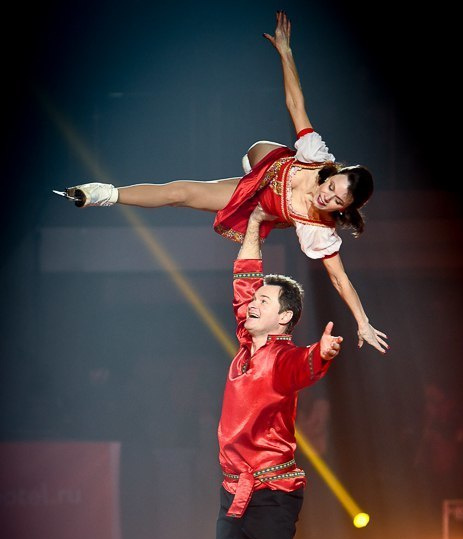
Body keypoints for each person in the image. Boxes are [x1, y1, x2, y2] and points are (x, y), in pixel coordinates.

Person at [61, 11, 388, 354]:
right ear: (334, 173)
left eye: (337, 202)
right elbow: (295, 103)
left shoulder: (319, 230)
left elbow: (340, 278)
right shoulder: (314, 155)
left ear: (345, 210)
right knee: (261, 155)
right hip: (265, 162)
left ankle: (103, 194)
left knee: (181, 194)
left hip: (257, 200)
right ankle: (252, 169)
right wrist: (286, 53)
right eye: (332, 187)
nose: (327, 197)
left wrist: (362, 321)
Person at [215, 204, 342, 539]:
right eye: (254, 301)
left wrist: (324, 352)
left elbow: (304, 366)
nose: (252, 305)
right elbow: (246, 278)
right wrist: (250, 229)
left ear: (285, 316)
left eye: (264, 302)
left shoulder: (282, 357)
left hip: (273, 491)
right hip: (232, 492)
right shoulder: (247, 347)